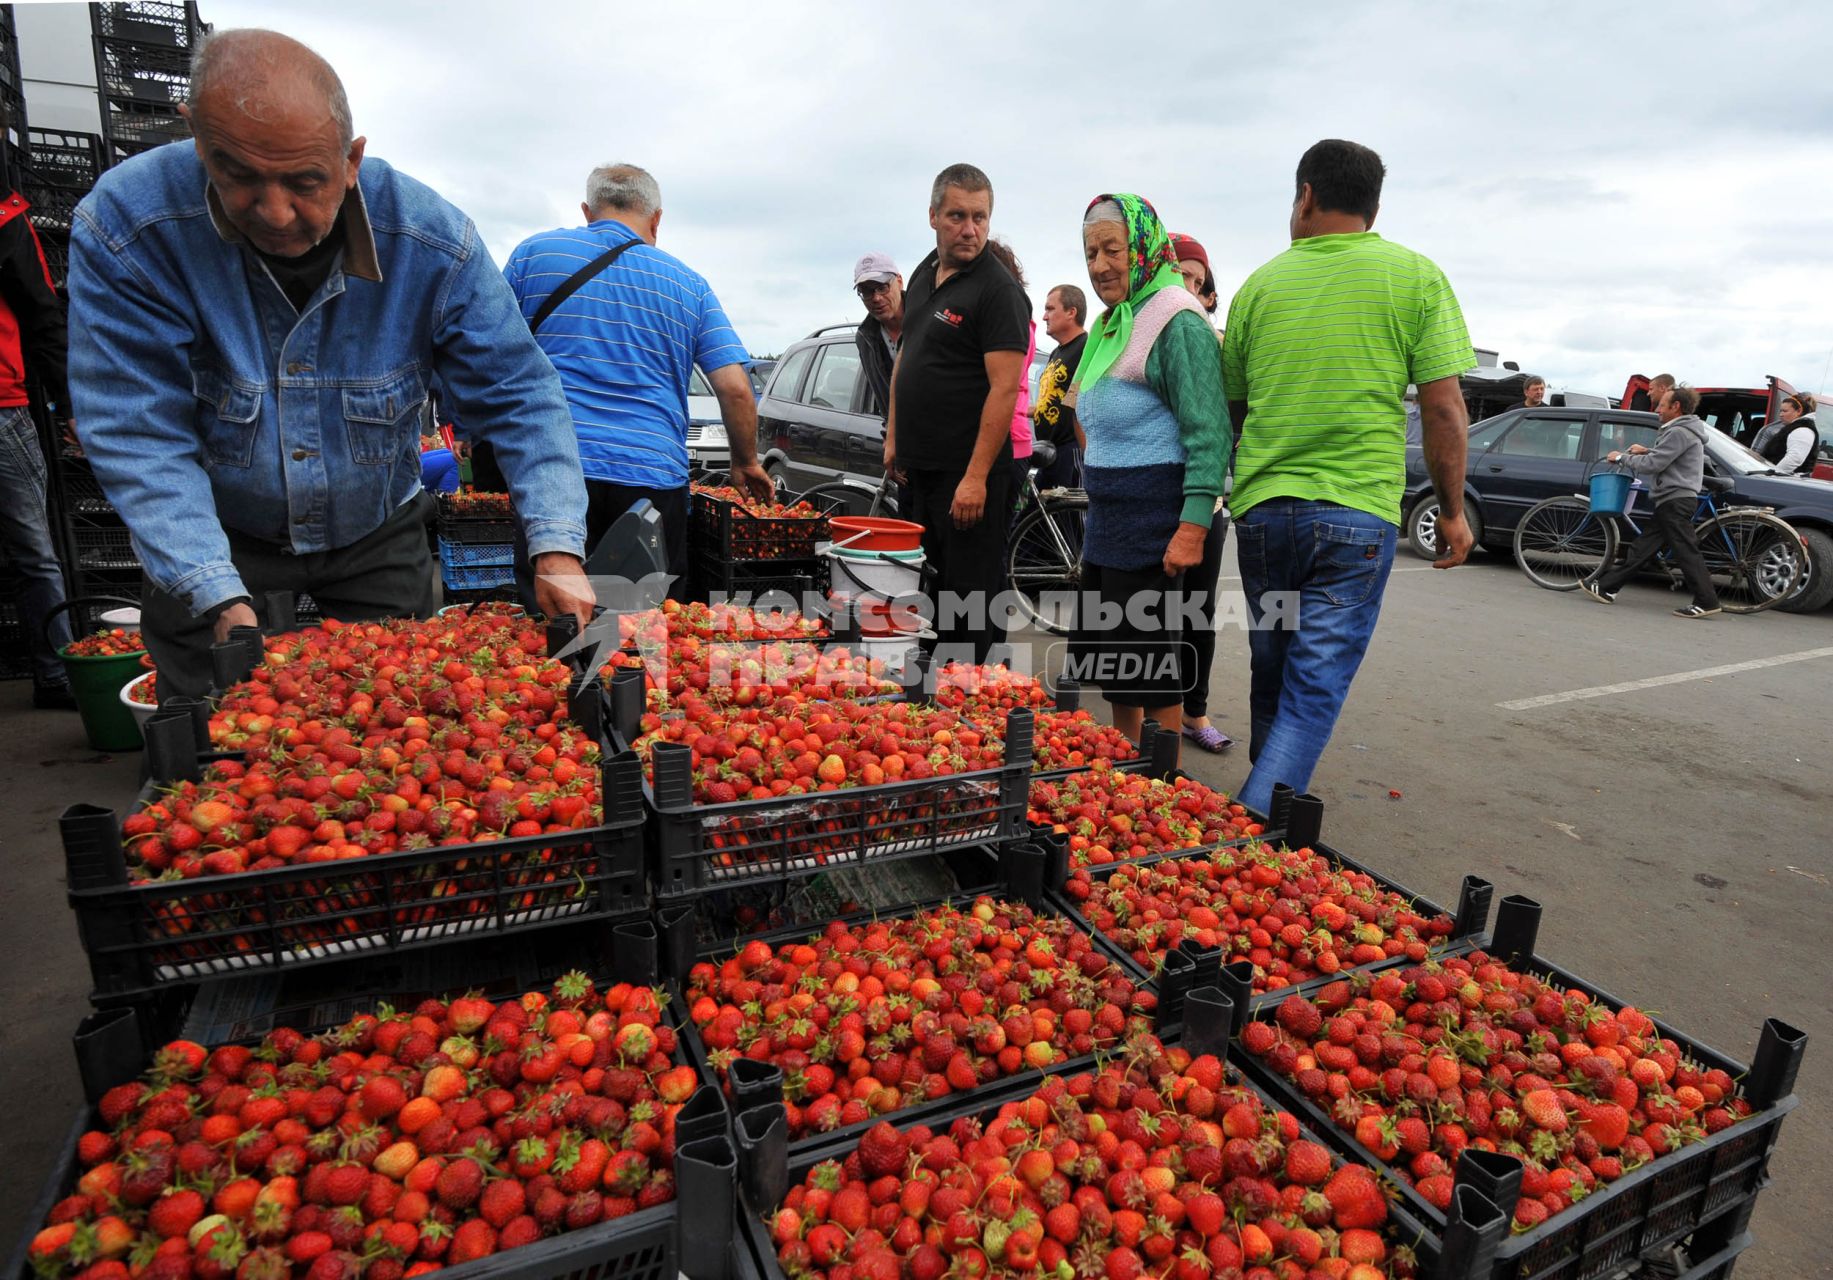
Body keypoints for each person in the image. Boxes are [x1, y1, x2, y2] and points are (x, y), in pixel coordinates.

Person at [68, 29, 595, 701]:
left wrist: (555, 547)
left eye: (305, 182)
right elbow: (139, 432)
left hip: (376, 528)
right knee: (216, 735)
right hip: (214, 528)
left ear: (351, 161)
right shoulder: (128, 228)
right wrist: (212, 592)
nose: (277, 211)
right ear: (197, 141)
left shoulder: (432, 243)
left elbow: (520, 396)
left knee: (407, 718)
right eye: (238, 176)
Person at [1222, 139, 1476, 814]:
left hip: (1264, 511)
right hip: (1355, 515)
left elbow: (1235, 407)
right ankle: (1249, 829)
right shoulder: (1414, 276)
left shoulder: (1259, 286)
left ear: (1304, 194)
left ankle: (1264, 800)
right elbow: (1444, 408)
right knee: (1312, 690)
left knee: (1272, 669)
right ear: (1374, 207)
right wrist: (1450, 510)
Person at [503, 163, 767, 602]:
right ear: (656, 218)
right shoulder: (688, 284)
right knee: (646, 626)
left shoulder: (534, 255)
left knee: (552, 623)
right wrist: (744, 461)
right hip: (652, 481)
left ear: (588, 211)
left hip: (557, 470)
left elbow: (490, 351)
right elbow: (736, 388)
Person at [1071, 194, 1229, 767]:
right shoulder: (1115, 322)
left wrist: (1191, 526)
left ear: (1140, 246)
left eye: (1113, 249)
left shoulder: (1174, 316)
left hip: (1155, 524)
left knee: (1153, 667)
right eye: (1090, 252)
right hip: (1110, 522)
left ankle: (1161, 780)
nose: (1099, 265)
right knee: (1119, 662)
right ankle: (1124, 765)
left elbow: (1209, 433)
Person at [883, 164, 1030, 665]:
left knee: (969, 606)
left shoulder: (998, 291)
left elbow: (1004, 389)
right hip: (919, 472)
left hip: (968, 479)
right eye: (957, 216)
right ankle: (931, 707)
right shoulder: (925, 272)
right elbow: (906, 353)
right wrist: (894, 435)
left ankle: (970, 707)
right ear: (933, 217)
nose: (970, 229)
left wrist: (975, 478)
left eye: (980, 218)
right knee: (925, 594)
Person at [0, 185, 76, 709]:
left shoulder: (4, 215)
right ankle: (56, 674)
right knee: (33, 552)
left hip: (3, 406)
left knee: (34, 552)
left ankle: (56, 674)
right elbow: (43, 311)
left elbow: (40, 311)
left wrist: (69, 404)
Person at [1167, 231, 1232, 754]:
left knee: (1197, 612)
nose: (1187, 286)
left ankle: (1195, 710)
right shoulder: (1137, 329)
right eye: (1179, 275)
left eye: (1197, 280)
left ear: (1209, 293)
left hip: (1205, 502)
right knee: (1149, 608)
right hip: (1152, 497)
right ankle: (1149, 713)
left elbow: (1221, 428)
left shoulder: (1216, 345)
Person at [1583, 384, 1721, 617]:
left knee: (1686, 552)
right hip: (1672, 498)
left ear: (1676, 407)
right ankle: (1606, 588)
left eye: (1661, 405)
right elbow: (1667, 457)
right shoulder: (1683, 430)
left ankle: (1707, 601)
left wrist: (1621, 458)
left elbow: (1654, 465)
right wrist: (1646, 450)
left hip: (1675, 499)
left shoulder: (1679, 431)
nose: (1657, 409)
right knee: (1643, 548)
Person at [983, 238, 1037, 508]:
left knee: (992, 538)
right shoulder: (1023, 322)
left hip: (1007, 441)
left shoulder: (1010, 321)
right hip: (1014, 437)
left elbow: (1003, 385)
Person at [1032, 284, 1087, 489]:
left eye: (1050, 309)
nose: (1045, 316)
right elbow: (1054, 400)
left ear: (1071, 312)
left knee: (1068, 520)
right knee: (1032, 519)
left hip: (1070, 453)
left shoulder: (1085, 347)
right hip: (1048, 454)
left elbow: (1082, 400)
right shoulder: (1056, 352)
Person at [852, 252, 903, 417]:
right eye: (866, 292)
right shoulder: (865, 339)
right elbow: (884, 403)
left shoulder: (929, 319)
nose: (876, 298)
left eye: (882, 287)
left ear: (899, 282)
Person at [1753, 393, 1819, 476]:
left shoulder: (1803, 429)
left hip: (1785, 482)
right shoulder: (1795, 427)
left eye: (1785, 411)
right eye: (1780, 411)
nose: (1781, 414)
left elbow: (1795, 458)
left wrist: (1771, 475)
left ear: (1798, 411)